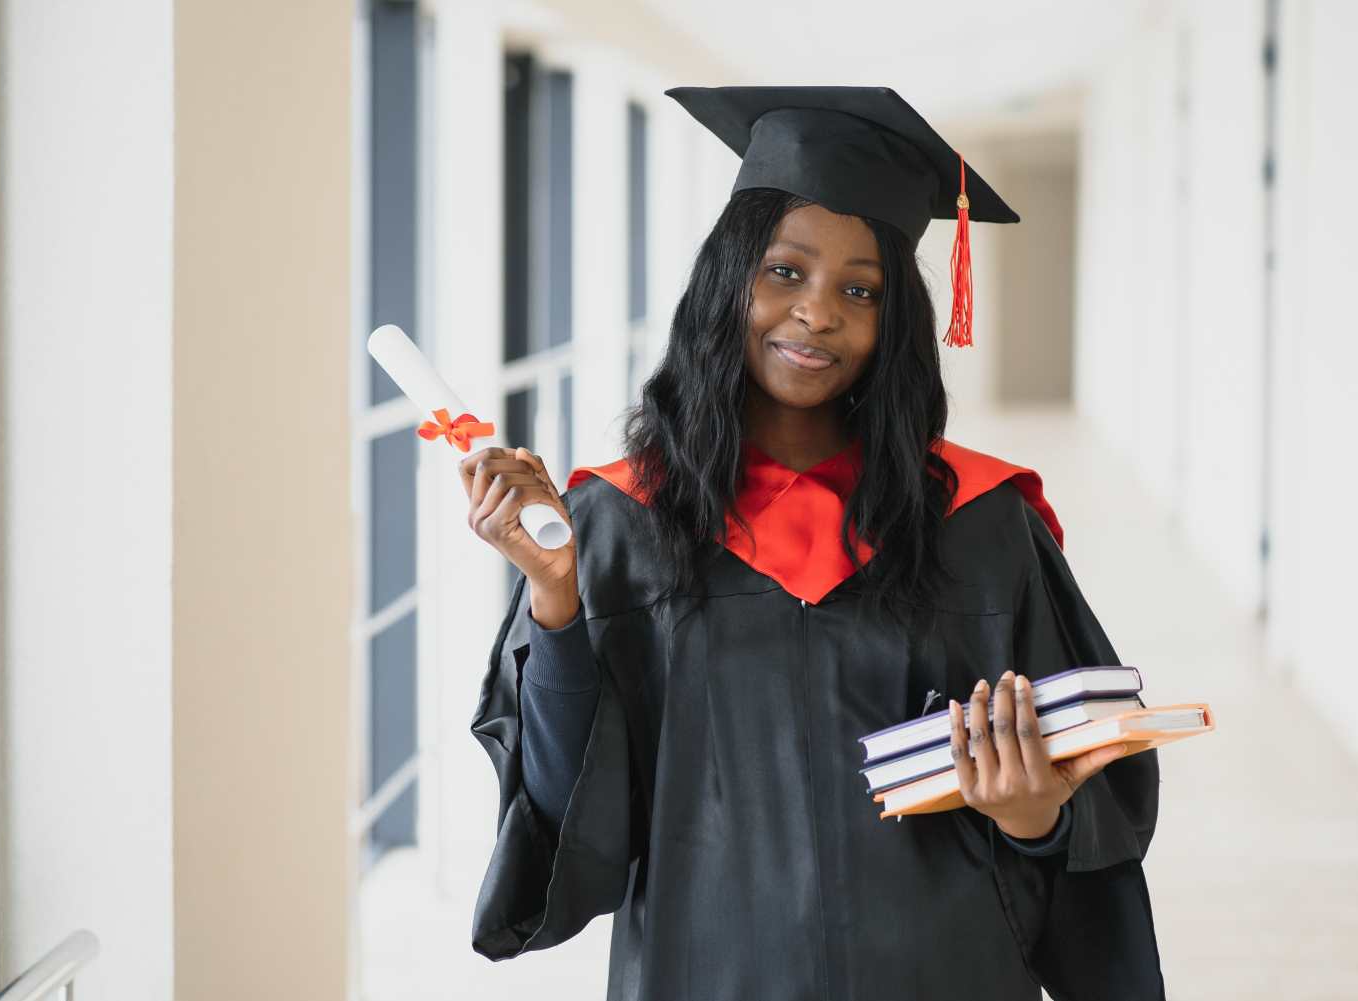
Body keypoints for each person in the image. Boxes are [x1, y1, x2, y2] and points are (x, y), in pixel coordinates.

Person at [458, 86, 1164, 1001]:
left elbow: (1090, 792)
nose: (818, 311)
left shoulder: (981, 522)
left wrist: (1037, 817)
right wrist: (557, 600)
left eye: (860, 289)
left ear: (894, 320)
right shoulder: (617, 522)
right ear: (728, 279)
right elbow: (570, 819)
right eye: (784, 271)